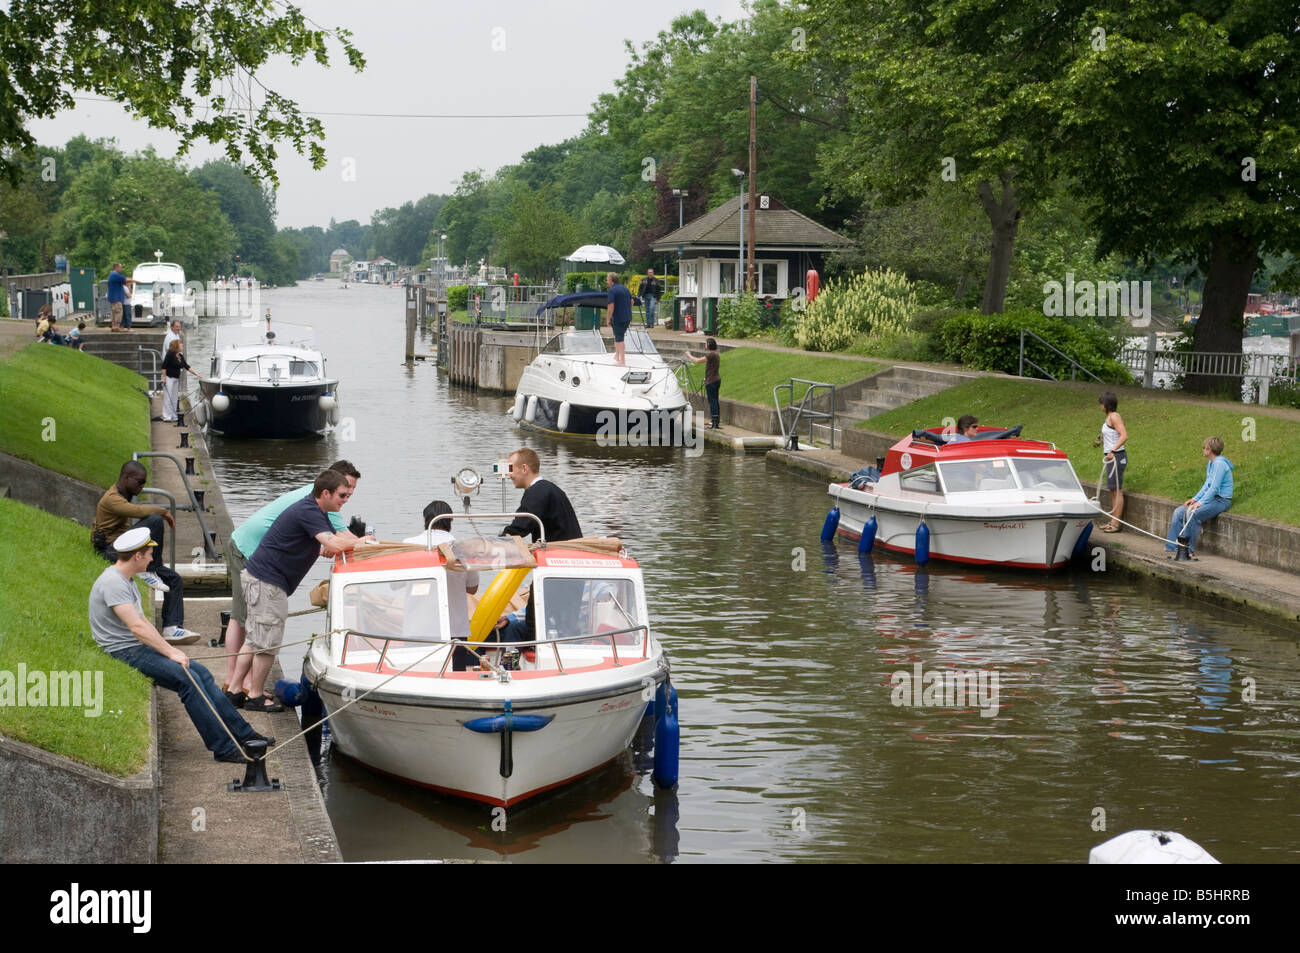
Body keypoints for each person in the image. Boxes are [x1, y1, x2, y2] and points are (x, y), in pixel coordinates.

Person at [90, 527, 271, 763]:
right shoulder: (114, 583)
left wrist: (167, 649)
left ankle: (244, 734)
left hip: (133, 646)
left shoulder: (126, 580)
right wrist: (171, 652)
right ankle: (223, 748)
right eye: (149, 554)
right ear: (137, 556)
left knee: (202, 673)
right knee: (188, 680)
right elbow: (136, 627)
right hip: (122, 651)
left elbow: (143, 622)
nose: (152, 558)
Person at [222, 461, 362, 702]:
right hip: (266, 578)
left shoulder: (315, 508)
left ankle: (234, 690)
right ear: (327, 491)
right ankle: (254, 695)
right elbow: (336, 542)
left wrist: (328, 545)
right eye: (343, 492)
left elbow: (325, 541)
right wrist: (365, 542)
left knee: (254, 638)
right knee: (267, 643)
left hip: (260, 573)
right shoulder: (311, 510)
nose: (346, 498)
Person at [92, 460, 194, 644]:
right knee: (154, 520)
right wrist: (163, 512)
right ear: (126, 478)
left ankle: (172, 627)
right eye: (139, 482)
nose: (142, 486)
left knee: (174, 579)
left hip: (126, 550)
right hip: (111, 550)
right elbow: (137, 511)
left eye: (144, 483)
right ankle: (150, 570)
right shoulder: (112, 498)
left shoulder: (123, 495)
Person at [502, 448, 582, 644]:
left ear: (525, 468)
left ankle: (533, 652)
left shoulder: (537, 492)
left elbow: (520, 527)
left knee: (534, 616)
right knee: (565, 622)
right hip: (571, 568)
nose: (509, 474)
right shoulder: (549, 489)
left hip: (559, 568)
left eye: (511, 468)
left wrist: (496, 544)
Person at [403, 500, 485, 671]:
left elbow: (397, 584)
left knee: (416, 675)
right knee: (456, 676)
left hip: (418, 626)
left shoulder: (408, 545)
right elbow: (472, 588)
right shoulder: (463, 549)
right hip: (454, 627)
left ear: (425, 519)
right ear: (451, 521)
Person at [1165, 436, 1234, 559]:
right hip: (1211, 498)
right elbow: (1207, 484)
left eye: (1205, 448)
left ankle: (1187, 550)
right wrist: (1195, 499)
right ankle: (1172, 546)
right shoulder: (1211, 463)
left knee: (1194, 513)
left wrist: (1201, 502)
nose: (1203, 450)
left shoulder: (1219, 464)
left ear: (1210, 450)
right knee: (1179, 512)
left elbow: (1214, 487)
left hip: (1221, 500)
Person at [1097, 392, 1128, 532]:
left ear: (1106, 404)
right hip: (1112, 457)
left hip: (1116, 457)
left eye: (1101, 404)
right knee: (1113, 490)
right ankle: (1112, 521)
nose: (1100, 406)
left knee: (1117, 490)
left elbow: (1124, 435)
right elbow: (1113, 435)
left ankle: (1116, 523)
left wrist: (1113, 451)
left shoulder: (1114, 417)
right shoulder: (1109, 418)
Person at [685, 337, 723, 429]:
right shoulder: (716, 354)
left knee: (712, 401)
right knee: (715, 401)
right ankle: (715, 421)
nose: (705, 345)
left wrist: (688, 355)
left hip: (712, 381)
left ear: (709, 345)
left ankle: (714, 423)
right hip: (715, 379)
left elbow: (697, 360)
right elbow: (713, 368)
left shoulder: (710, 355)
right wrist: (707, 378)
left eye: (706, 343)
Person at [605, 271, 633, 366]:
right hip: (627, 317)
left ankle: (622, 361)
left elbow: (611, 306)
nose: (606, 281)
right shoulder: (624, 288)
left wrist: (608, 318)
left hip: (618, 318)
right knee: (618, 336)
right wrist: (626, 309)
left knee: (619, 339)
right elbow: (632, 301)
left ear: (611, 280)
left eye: (607, 279)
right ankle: (617, 355)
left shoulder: (612, 290)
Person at [160, 339, 191, 422]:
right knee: (168, 397)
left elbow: (187, 366)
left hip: (176, 379)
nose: (182, 346)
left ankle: (173, 415)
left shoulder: (180, 356)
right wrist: (164, 378)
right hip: (169, 378)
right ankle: (167, 416)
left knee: (174, 398)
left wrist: (197, 375)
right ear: (176, 346)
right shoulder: (170, 354)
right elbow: (163, 367)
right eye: (181, 345)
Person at [107, 263, 134, 332]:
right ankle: (117, 327)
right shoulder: (115, 275)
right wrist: (136, 281)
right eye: (121, 267)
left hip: (112, 298)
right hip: (117, 298)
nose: (121, 269)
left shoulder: (111, 275)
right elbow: (126, 279)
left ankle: (114, 326)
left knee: (113, 313)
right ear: (117, 268)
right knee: (118, 312)